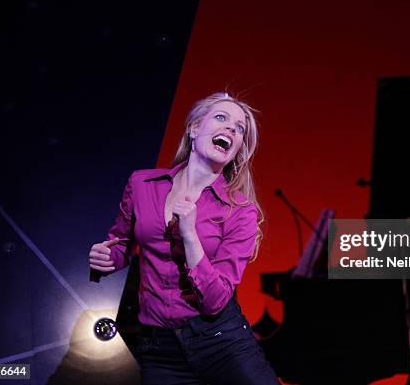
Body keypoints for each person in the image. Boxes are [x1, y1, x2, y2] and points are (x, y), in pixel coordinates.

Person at [88, 92, 280, 384]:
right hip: (160, 348)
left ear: (237, 148)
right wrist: (107, 258)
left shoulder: (240, 211)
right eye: (221, 118)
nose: (231, 129)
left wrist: (189, 236)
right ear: (193, 128)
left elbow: (215, 301)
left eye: (239, 129)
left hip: (221, 342)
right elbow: (122, 244)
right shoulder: (142, 184)